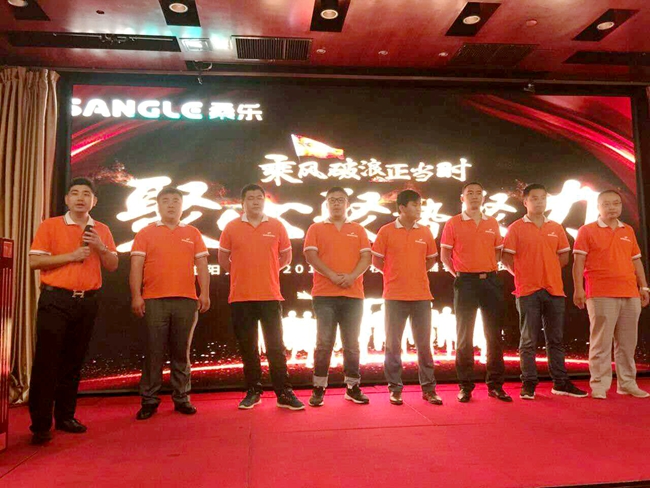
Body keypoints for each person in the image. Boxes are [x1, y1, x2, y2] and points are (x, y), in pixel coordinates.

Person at [28, 177, 118, 445]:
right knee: (47, 362)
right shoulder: (51, 225)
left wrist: (100, 247)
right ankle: (40, 424)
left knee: (73, 362)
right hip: (56, 300)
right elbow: (34, 261)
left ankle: (66, 416)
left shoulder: (102, 229)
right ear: (67, 199)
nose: (81, 198)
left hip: (87, 301)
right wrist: (71, 256)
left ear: (94, 201)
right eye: (75, 193)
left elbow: (112, 264)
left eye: (86, 194)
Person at [218, 184, 304, 410]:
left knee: (275, 347)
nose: (255, 201)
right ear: (243, 202)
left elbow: (286, 256)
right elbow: (223, 259)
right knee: (248, 347)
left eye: (259, 197)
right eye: (250, 198)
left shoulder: (276, 225)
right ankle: (253, 391)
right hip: (241, 297)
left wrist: (268, 270)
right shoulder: (231, 227)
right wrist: (242, 273)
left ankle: (283, 393)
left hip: (270, 295)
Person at [130, 187, 211, 420]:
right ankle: (149, 400)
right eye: (165, 200)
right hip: (154, 300)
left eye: (176, 200)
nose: (171, 204)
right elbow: (136, 266)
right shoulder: (145, 232)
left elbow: (202, 266)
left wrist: (204, 293)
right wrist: (136, 295)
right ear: (158, 205)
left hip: (187, 300)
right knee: (153, 352)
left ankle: (182, 398)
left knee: (181, 352)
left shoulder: (192, 232)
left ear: (182, 206)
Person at [502, 184, 587, 400]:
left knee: (555, 339)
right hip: (527, 290)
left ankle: (560, 382)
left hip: (554, 290)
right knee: (528, 340)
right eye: (534, 198)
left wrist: (548, 271)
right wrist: (522, 274)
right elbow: (506, 258)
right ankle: (529, 383)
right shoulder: (516, 228)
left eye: (542, 198)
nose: (539, 202)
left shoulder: (555, 227)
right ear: (525, 202)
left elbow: (564, 256)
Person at [572, 190, 650, 399]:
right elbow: (578, 263)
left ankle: (628, 383)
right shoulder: (587, 230)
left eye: (616, 203)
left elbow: (636, 260)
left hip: (630, 292)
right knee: (601, 342)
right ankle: (599, 384)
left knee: (628, 343)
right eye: (607, 204)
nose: (612, 207)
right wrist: (578, 289)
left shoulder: (628, 230)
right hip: (600, 292)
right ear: (598, 207)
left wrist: (644, 287)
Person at [440, 182, 511, 403]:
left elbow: (498, 253)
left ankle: (495, 385)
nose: (474, 196)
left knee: (493, 335)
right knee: (464, 336)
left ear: (483, 198)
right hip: (466, 283)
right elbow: (445, 257)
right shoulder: (453, 223)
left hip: (490, 281)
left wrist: (486, 268)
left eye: (478, 193)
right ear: (462, 198)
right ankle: (465, 386)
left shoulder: (492, 222)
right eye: (469, 193)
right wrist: (461, 275)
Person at [372, 189, 442, 406]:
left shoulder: (426, 231)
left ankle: (429, 389)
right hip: (394, 296)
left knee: (424, 345)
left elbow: (431, 260)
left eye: (420, 205)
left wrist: (415, 273)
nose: (419, 209)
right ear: (402, 208)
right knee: (393, 345)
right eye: (415, 205)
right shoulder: (386, 231)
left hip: (421, 295)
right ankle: (395, 389)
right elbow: (376, 261)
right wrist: (394, 274)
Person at [303, 187, 372, 407]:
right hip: (324, 294)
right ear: (326, 204)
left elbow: (366, 258)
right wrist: (332, 275)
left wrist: (352, 276)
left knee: (352, 343)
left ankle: (352, 387)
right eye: (332, 200)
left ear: (347, 204)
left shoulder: (358, 229)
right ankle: (319, 387)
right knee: (324, 343)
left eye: (340, 200)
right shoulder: (316, 228)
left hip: (353, 294)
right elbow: (310, 255)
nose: (336, 203)